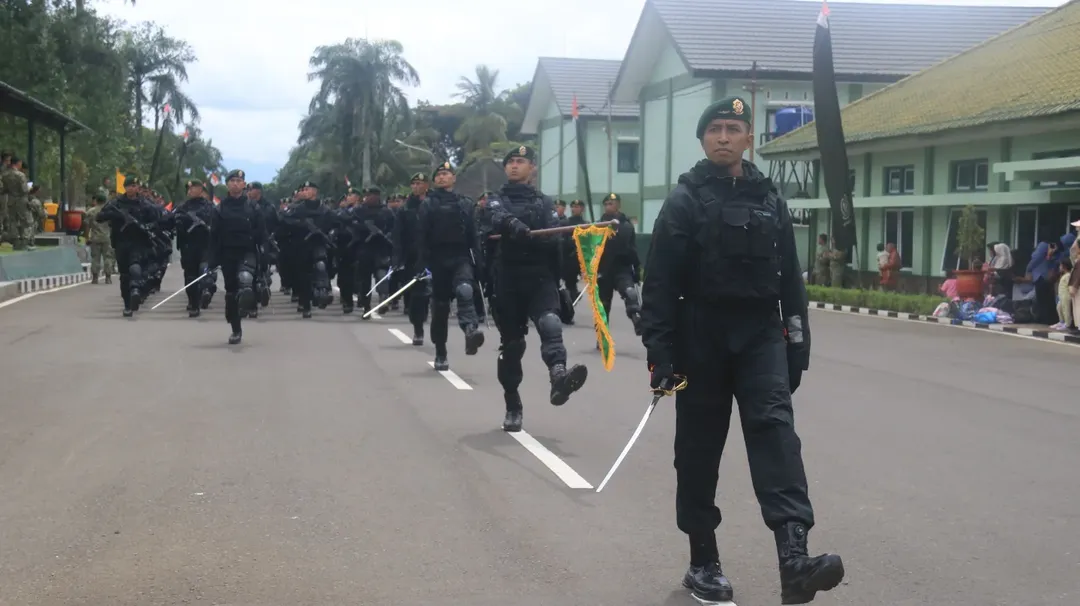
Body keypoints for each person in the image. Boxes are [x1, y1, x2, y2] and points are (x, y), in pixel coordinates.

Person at [639, 96, 844, 604]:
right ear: (703, 139)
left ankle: (794, 560)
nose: (723, 137)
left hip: (759, 338)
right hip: (701, 337)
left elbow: (790, 283)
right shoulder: (685, 200)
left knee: (777, 437)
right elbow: (659, 283)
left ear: (749, 137)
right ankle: (702, 561)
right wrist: (660, 354)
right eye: (714, 129)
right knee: (698, 451)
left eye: (733, 128)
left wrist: (797, 346)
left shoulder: (770, 200)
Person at [489, 145, 588, 433]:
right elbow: (496, 220)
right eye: (511, 162)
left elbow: (553, 239)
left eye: (521, 161)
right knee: (513, 346)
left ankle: (558, 376)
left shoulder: (545, 202)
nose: (515, 166)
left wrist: (542, 243)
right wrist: (514, 226)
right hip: (507, 278)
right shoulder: (496, 200)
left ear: (532, 167)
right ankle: (512, 405)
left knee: (550, 322)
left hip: (540, 277)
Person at [416, 162, 484, 369]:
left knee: (465, 289)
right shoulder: (428, 204)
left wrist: (480, 265)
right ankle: (440, 351)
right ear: (435, 180)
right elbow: (421, 237)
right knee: (440, 308)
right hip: (438, 260)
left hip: (461, 257)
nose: (442, 177)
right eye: (439, 175)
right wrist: (421, 265)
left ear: (454, 178)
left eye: (446, 174)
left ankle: (470, 330)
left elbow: (474, 236)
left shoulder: (465, 203)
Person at [208, 169, 266, 344]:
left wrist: (264, 255)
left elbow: (263, 234)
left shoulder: (253, 207)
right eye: (232, 180)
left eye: (238, 181)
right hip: (228, 254)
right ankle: (236, 328)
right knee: (232, 292)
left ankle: (249, 304)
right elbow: (214, 236)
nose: (235, 183)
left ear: (244, 185)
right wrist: (212, 260)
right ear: (227, 184)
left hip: (247, 252)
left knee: (246, 281)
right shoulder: (219, 209)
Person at [95, 175, 161, 316]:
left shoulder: (145, 204)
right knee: (124, 275)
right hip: (121, 242)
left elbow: (157, 221)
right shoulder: (116, 203)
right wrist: (115, 215)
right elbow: (99, 217)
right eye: (130, 185)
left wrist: (146, 226)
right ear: (125, 187)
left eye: (135, 186)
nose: (133, 188)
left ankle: (136, 290)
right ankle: (128, 304)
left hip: (139, 242)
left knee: (135, 267)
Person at [166, 179, 217, 317]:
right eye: (188, 188)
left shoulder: (209, 207)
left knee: (205, 272)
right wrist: (176, 220)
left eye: (194, 187)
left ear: (201, 189)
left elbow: (218, 224)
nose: (190, 190)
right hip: (188, 246)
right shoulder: (182, 207)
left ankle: (206, 291)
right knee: (190, 276)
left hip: (205, 245)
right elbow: (168, 221)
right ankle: (194, 303)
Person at [597, 193, 642, 334]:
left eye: (612, 203)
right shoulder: (599, 225)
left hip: (622, 267)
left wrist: (636, 267)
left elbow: (632, 248)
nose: (609, 206)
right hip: (604, 269)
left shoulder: (626, 224)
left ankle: (636, 318)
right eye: (607, 204)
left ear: (618, 205)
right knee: (603, 305)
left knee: (630, 293)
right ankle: (602, 335)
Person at [393, 173, 431, 342]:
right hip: (413, 257)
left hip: (433, 255)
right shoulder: (405, 209)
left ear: (427, 185)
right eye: (414, 183)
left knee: (432, 294)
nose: (416, 186)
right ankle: (418, 328)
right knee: (416, 294)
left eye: (420, 183)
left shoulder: (434, 205)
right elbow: (398, 236)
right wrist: (397, 259)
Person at [82, 191, 115, 284]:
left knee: (95, 258)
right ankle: (108, 277)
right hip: (107, 237)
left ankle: (95, 278)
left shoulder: (91, 212)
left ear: (96, 200)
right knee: (108, 257)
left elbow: (87, 225)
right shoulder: (109, 211)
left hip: (95, 238)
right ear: (105, 201)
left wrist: (87, 237)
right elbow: (113, 225)